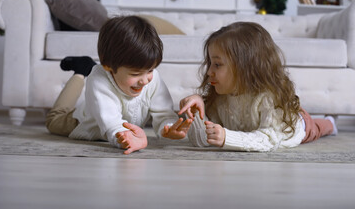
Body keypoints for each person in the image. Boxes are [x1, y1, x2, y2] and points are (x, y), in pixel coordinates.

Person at [178, 21, 337, 152]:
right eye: (210, 64)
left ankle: (330, 123)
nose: (209, 72)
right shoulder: (219, 96)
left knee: (317, 127)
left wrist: (227, 138)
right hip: (269, 121)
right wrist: (197, 114)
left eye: (217, 64)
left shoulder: (268, 98)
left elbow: (268, 140)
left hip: (291, 125)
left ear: (245, 68)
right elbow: (202, 140)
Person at [46, 16, 192, 155]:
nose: (145, 80)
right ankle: (80, 71)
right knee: (54, 119)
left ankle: (86, 69)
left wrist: (168, 128)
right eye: (135, 74)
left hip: (101, 108)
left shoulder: (152, 79)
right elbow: (113, 125)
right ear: (108, 66)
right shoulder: (98, 80)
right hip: (81, 122)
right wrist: (127, 140)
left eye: (150, 70)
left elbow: (164, 114)